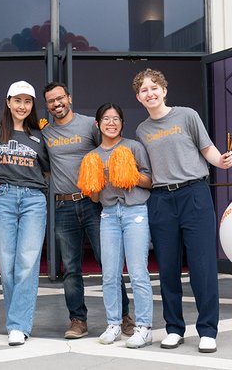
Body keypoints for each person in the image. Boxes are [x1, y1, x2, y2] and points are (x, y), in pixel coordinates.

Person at [133, 69, 232, 354]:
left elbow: (208, 149)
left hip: (194, 194)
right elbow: (147, 171)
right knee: (167, 267)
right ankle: (174, 328)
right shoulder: (142, 131)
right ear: (138, 98)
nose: (150, 93)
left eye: (154, 87)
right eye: (143, 90)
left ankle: (207, 330)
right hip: (161, 199)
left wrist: (222, 161)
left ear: (164, 90)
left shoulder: (187, 115)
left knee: (202, 265)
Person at [42, 82, 132, 339]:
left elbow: (107, 150)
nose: (57, 104)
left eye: (60, 98)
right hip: (63, 205)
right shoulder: (46, 133)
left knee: (109, 262)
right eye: (51, 101)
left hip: (92, 203)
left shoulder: (88, 125)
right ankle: (78, 320)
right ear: (47, 105)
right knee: (71, 267)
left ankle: (124, 317)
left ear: (69, 98)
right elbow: (47, 167)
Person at [88, 103, 154, 349]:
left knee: (138, 273)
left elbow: (150, 181)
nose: (111, 123)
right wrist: (95, 183)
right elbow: (94, 198)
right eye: (106, 118)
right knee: (110, 274)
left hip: (135, 212)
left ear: (122, 123)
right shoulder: (92, 156)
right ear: (98, 124)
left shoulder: (134, 147)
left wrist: (128, 174)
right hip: (108, 215)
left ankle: (144, 327)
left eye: (116, 118)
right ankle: (113, 324)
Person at [0, 80, 50, 346]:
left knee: (27, 264)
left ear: (32, 104)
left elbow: (47, 170)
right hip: (4, 197)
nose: (22, 106)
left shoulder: (40, 135)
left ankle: (18, 325)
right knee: (6, 264)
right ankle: (17, 320)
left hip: (34, 200)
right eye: (17, 100)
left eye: (27, 101)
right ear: (8, 102)